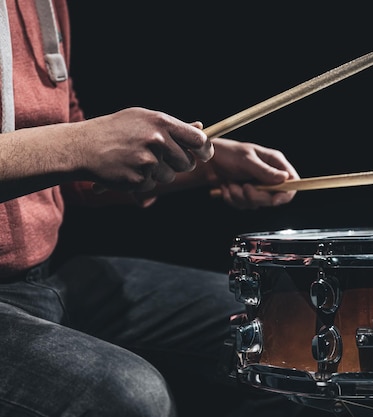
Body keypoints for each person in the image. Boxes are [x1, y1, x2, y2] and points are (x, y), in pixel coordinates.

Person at [0, 1, 308, 416]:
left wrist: (208, 167)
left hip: (39, 279)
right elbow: (72, 149)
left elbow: (74, 176)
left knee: (288, 330)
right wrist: (80, 144)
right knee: (129, 395)